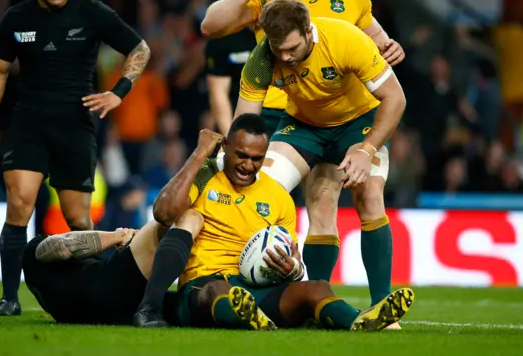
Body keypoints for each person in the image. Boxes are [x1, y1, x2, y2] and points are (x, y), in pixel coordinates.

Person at [200, 0, 404, 305]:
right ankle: (281, 292)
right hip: (288, 116)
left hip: (351, 117)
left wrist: (391, 48)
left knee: (360, 194)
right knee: (281, 196)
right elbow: (210, 25)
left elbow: (376, 41)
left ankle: (380, 305)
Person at [0, 0, 151, 316]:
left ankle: (100, 296)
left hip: (75, 127)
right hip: (29, 123)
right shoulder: (16, 19)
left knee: (78, 220)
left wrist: (119, 92)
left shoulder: (92, 12)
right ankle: (9, 299)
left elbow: (139, 49)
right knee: (19, 204)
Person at [133, 113, 414, 330]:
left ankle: (361, 321)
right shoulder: (206, 175)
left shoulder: (278, 196)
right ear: (226, 146)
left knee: (316, 287)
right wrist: (199, 154)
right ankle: (241, 316)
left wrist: (292, 269)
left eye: (256, 159)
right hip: (203, 286)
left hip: (256, 288)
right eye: (241, 155)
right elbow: (164, 212)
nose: (247, 165)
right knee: (218, 290)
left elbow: (291, 258)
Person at [236, 0, 407, 319]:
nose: (285, 57)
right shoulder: (263, 58)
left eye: (292, 48)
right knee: (264, 188)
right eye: (278, 49)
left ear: (308, 30)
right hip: (304, 125)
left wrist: (366, 150)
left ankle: (383, 306)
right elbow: (243, 124)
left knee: (369, 193)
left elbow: (395, 99)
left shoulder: (346, 40)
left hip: (358, 123)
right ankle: (305, 304)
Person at [21, 215, 203, 325]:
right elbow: (65, 246)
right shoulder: (34, 248)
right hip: (109, 286)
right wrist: (118, 236)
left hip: (118, 313)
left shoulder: (47, 289)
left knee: (195, 305)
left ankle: (224, 303)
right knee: (175, 213)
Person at [205, 27, 257, 135]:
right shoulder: (223, 36)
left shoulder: (283, 31)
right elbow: (218, 94)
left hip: (280, 119)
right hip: (238, 118)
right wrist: (230, 138)